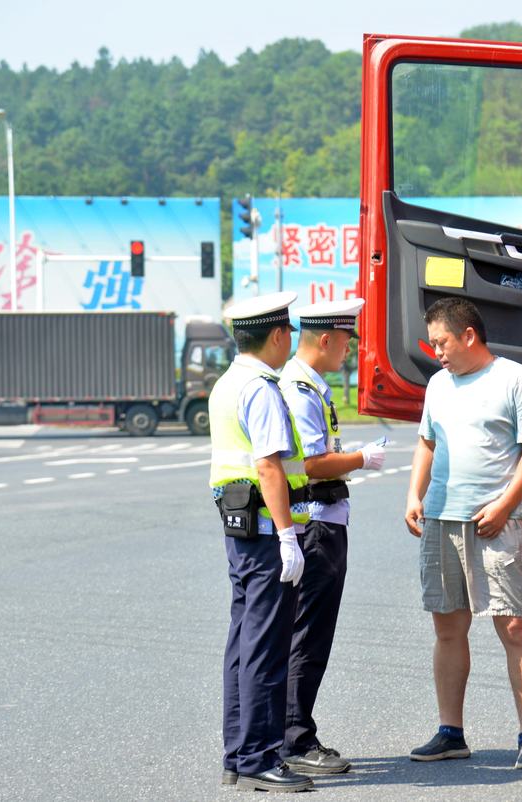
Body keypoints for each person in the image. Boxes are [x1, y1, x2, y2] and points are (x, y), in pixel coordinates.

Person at [404, 297, 522, 771]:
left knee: (514, 625)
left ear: (468, 335)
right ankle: (451, 732)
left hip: (498, 521)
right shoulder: (437, 385)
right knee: (447, 627)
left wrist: (505, 504)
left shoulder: (515, 379)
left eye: (442, 342)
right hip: (441, 520)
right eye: (433, 345)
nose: (437, 353)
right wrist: (414, 495)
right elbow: (427, 442)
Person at [278, 298, 387, 775]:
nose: (348, 351)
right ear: (325, 340)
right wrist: (363, 459)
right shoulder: (301, 389)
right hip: (316, 524)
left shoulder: (308, 385)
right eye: (345, 342)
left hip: (322, 520)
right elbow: (312, 464)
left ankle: (290, 733)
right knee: (307, 636)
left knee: (307, 634)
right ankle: (296, 739)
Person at [210, 291, 313, 793]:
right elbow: (269, 466)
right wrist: (290, 537)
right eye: (289, 333)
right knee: (266, 647)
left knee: (243, 642)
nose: (290, 341)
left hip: (241, 531)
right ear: (277, 335)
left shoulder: (228, 383)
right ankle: (257, 756)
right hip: (269, 531)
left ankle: (238, 752)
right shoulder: (261, 389)